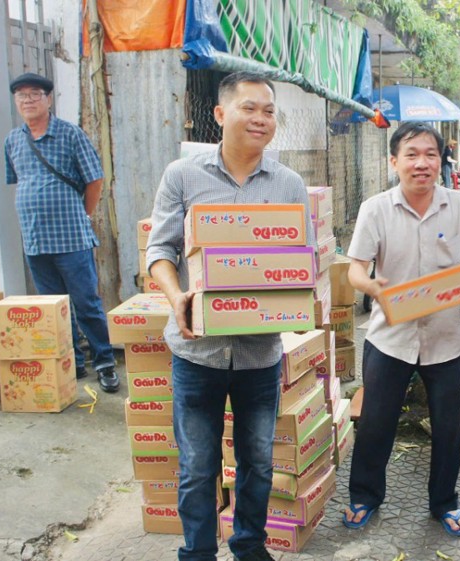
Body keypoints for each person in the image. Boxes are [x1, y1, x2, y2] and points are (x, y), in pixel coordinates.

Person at [146, 72, 312, 561]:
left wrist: (299, 299)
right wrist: (176, 297)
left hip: (259, 354)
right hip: (196, 351)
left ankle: (249, 546)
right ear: (220, 114)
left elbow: (300, 261)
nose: (261, 119)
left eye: (269, 111)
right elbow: (159, 250)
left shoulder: (288, 184)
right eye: (249, 108)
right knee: (198, 465)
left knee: (258, 463)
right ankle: (198, 552)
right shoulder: (182, 175)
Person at [342, 122, 460, 537]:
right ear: (394, 161)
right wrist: (372, 287)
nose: (422, 163)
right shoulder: (376, 208)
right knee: (376, 423)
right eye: (412, 154)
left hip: (444, 340)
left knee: (448, 428)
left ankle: (444, 503)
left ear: (440, 160)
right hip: (389, 337)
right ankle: (364, 496)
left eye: (430, 154)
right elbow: (355, 269)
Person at [4, 72, 118, 393]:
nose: (28, 100)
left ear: (48, 99)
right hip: (35, 239)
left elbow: (95, 179)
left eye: (35, 94)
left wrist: (84, 214)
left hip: (71, 237)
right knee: (54, 307)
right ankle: (72, 362)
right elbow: (20, 180)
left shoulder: (69, 134)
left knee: (86, 303)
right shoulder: (12, 140)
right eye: (22, 95)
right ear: (16, 102)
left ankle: (105, 362)